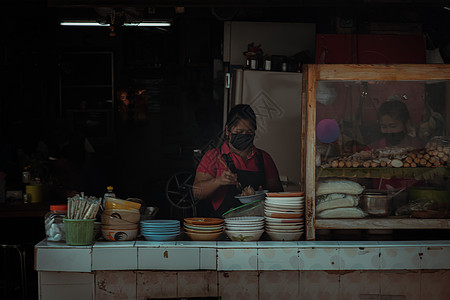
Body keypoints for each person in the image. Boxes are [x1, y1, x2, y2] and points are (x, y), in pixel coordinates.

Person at [193, 104, 283, 218]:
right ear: (227, 130)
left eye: (249, 133)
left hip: (256, 225)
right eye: (239, 132)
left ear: (254, 132)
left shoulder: (264, 158)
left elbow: (278, 194)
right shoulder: (214, 156)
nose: (244, 136)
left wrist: (264, 194)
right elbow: (196, 192)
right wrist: (218, 181)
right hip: (222, 227)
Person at [366, 96, 424, 190]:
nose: (389, 131)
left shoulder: (419, 149)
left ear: (406, 124)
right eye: (384, 127)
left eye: (393, 126)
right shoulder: (372, 150)